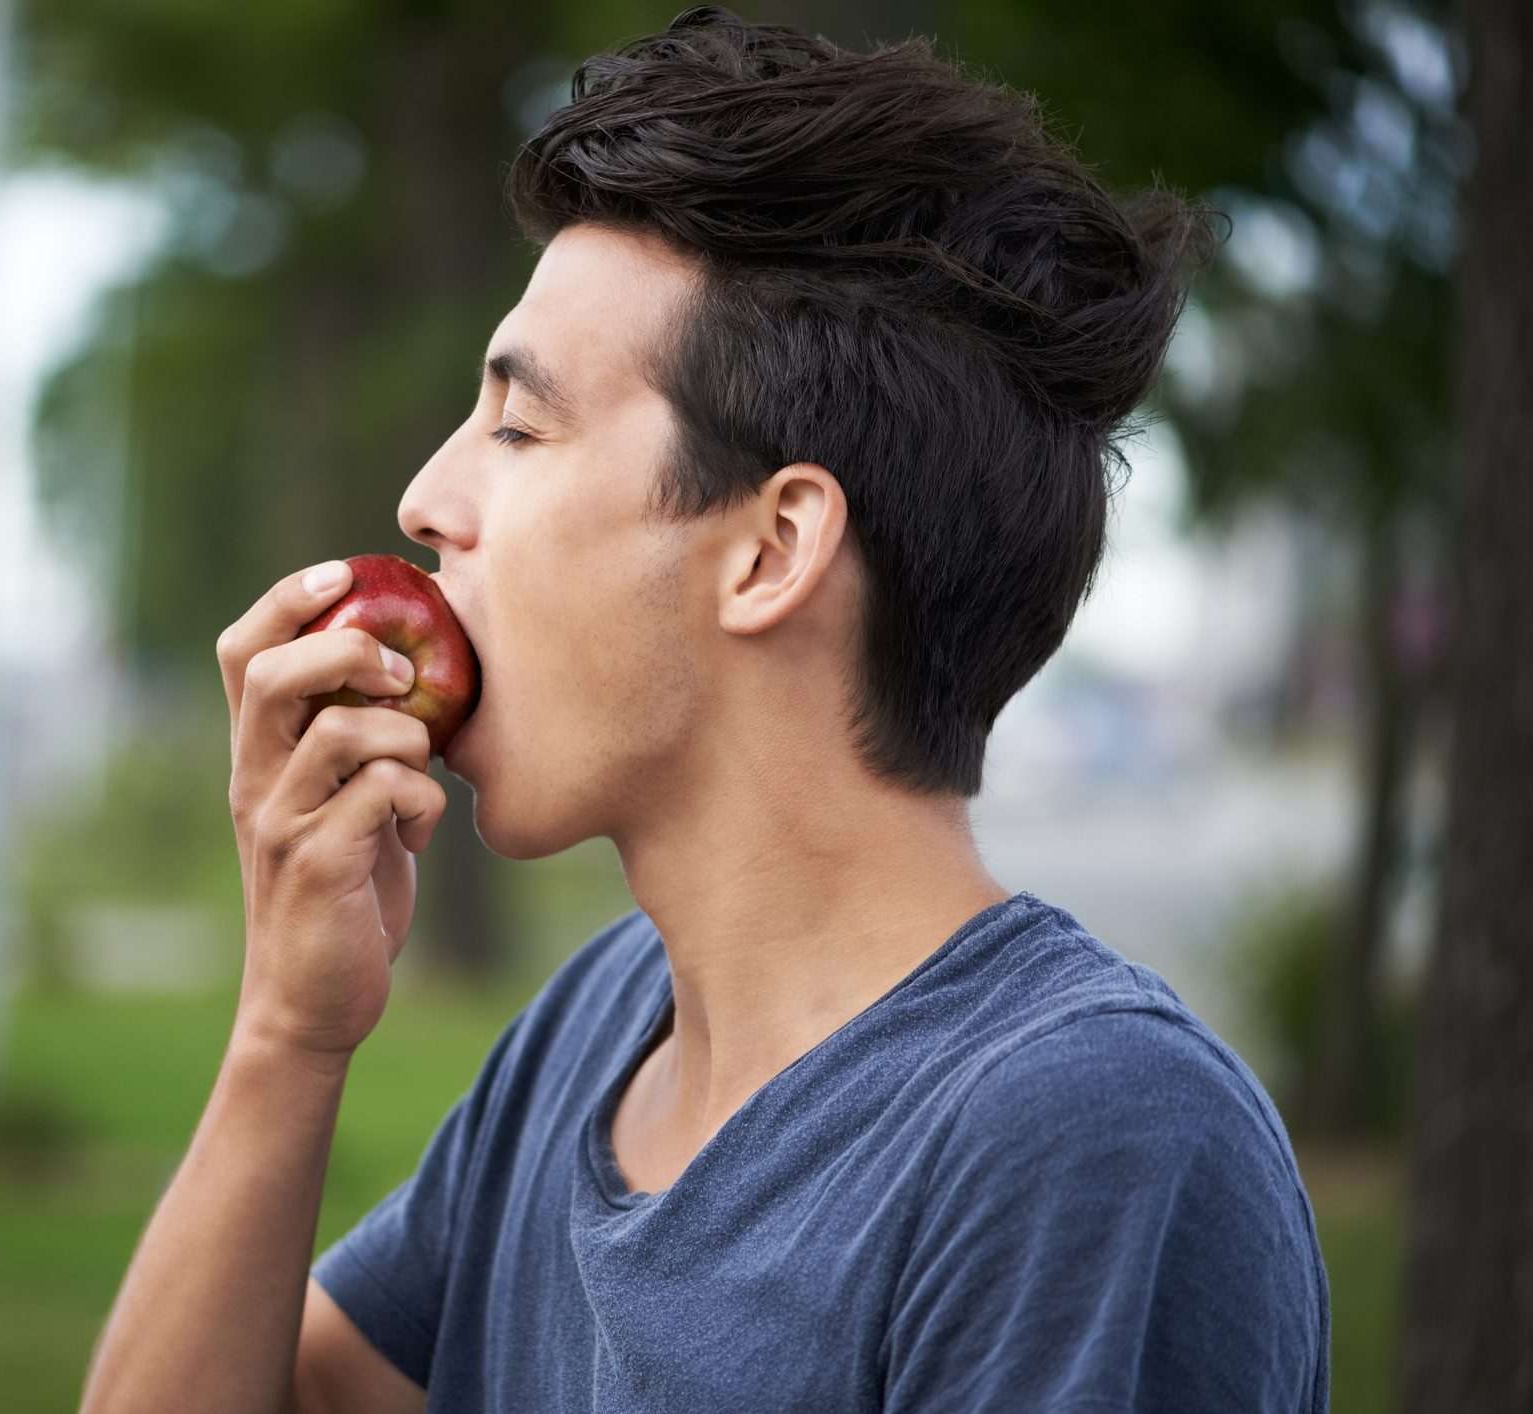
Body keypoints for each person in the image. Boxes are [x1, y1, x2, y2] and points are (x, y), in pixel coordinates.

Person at [77, 7, 1329, 1412]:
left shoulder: (1085, 1141)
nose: (428, 501)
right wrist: (287, 1033)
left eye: (518, 424)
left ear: (771, 549)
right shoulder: (594, 1031)